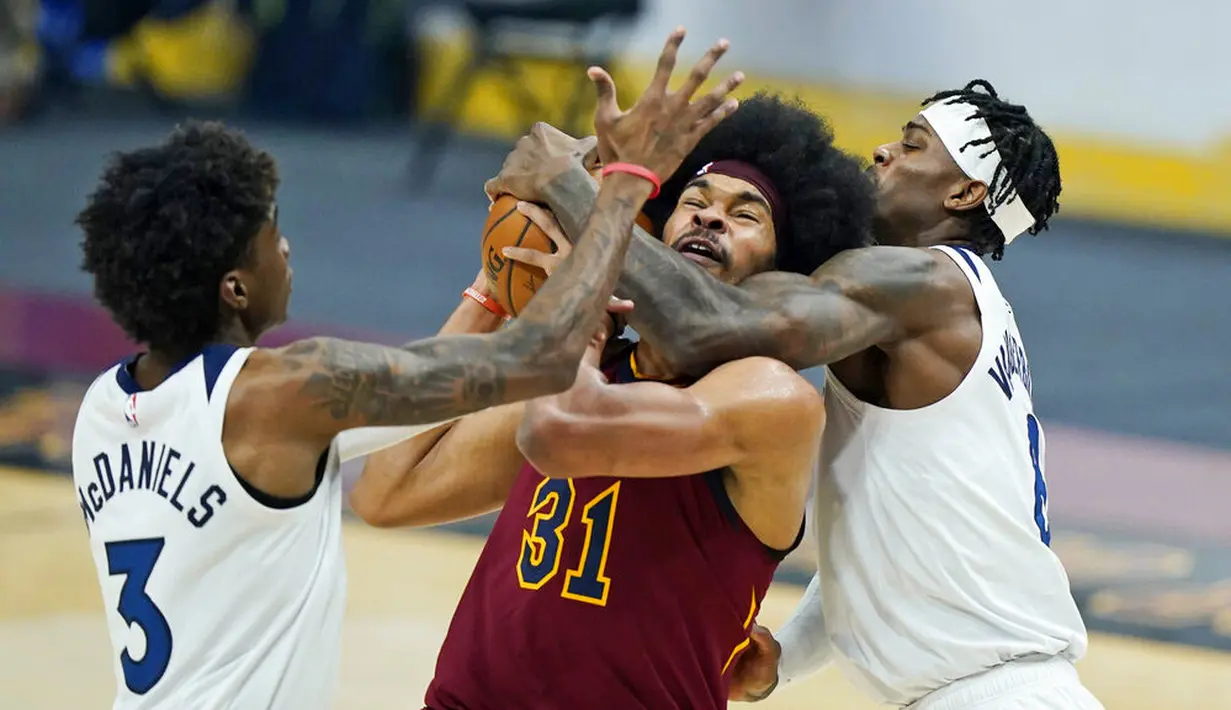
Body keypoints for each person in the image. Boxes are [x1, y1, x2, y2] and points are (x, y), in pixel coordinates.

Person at [68, 26, 741, 710]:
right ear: (234, 288)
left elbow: (409, 448)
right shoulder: (288, 392)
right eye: (271, 235)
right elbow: (538, 358)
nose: (288, 247)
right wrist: (625, 183)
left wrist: (496, 275)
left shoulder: (101, 408)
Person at [485, 79, 1103, 709]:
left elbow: (705, 326)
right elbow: (887, 533)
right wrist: (788, 655)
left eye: (913, 146)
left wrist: (575, 189)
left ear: (965, 193)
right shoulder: (955, 309)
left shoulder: (918, 279)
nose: (883, 152)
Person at [348, 92, 876, 710]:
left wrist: (579, 302)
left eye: (745, 214)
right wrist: (494, 284)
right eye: (693, 204)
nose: (708, 219)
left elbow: (564, 432)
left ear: (783, 275)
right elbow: (385, 490)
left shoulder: (771, 398)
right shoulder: (590, 374)